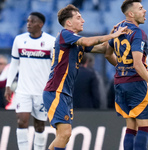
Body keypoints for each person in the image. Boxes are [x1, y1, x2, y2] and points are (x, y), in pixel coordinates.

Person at [42, 4, 127, 150]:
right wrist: (112, 35)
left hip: (65, 93)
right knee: (65, 133)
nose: (83, 20)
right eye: (78, 17)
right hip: (56, 91)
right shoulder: (65, 34)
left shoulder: (74, 41)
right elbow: (88, 41)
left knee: (63, 136)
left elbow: (103, 48)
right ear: (69, 22)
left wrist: (113, 38)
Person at [105, 0, 148, 149]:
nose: (144, 11)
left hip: (120, 83)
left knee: (131, 126)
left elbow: (107, 54)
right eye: (140, 8)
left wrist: (122, 68)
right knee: (145, 127)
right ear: (131, 14)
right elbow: (138, 64)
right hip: (136, 84)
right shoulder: (138, 33)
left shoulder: (118, 29)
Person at [4, 12, 55, 150]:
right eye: (28, 21)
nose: (28, 23)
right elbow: (14, 63)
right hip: (23, 90)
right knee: (22, 121)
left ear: (40, 24)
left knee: (39, 125)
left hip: (41, 91)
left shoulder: (51, 41)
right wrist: (9, 85)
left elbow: (55, 67)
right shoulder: (19, 40)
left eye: (32, 21)